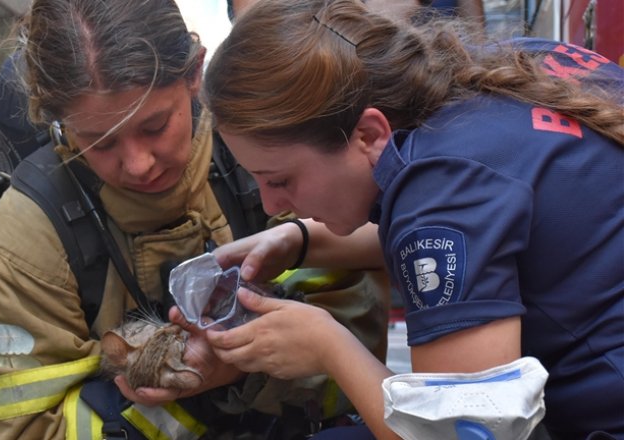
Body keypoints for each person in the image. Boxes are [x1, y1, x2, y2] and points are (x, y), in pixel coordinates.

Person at [0, 0, 390, 438]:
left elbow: (359, 343)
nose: (137, 164)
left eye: (154, 127)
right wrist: (187, 392)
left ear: (195, 74)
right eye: (101, 142)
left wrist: (249, 361)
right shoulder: (20, 252)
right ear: (59, 122)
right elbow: (0, 429)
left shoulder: (268, 166)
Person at [194, 0, 624, 439]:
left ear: (368, 134)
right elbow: (478, 238)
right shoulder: (501, 72)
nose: (270, 205)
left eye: (280, 180)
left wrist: (326, 344)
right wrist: (299, 239)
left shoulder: (439, 189)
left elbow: (463, 432)